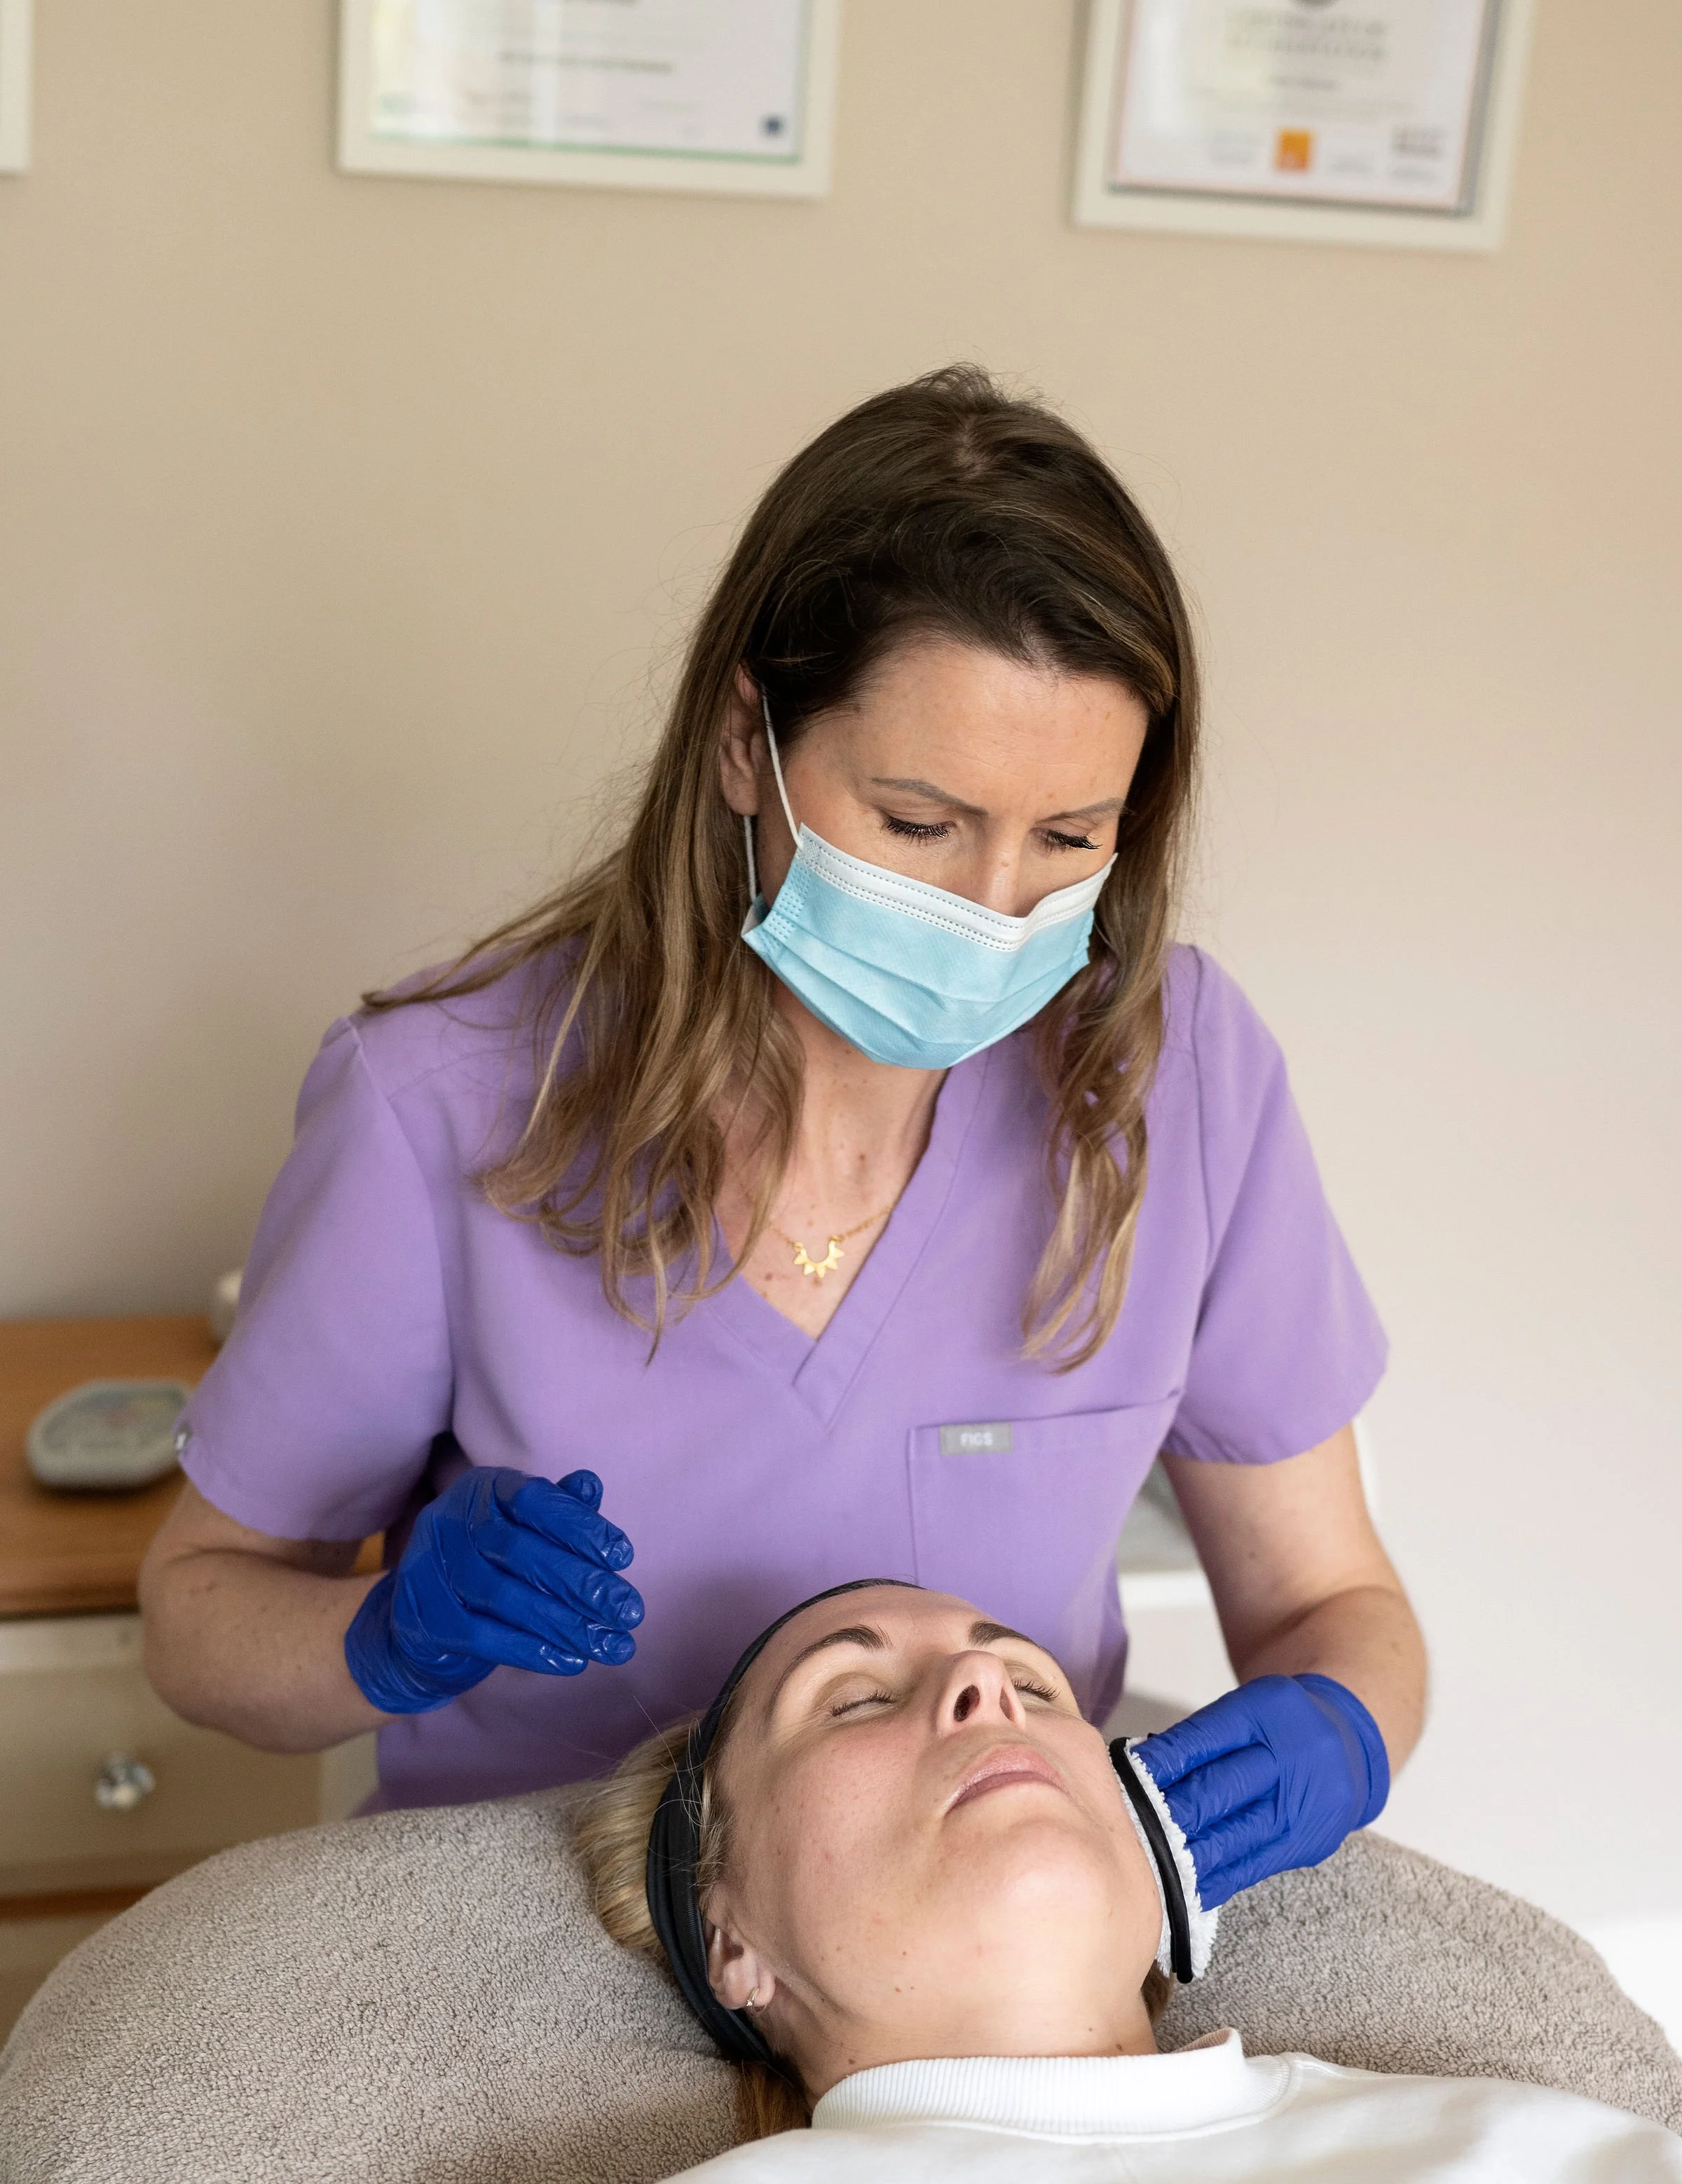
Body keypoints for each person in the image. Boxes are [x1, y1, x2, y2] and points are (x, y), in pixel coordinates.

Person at [139, 365, 1423, 1896]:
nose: (993, 906)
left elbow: (1331, 1596)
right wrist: (384, 1635)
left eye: (1069, 838)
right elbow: (197, 1618)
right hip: (533, 1932)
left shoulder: (1176, 1077)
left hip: (955, 1942)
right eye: (920, 825)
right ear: (748, 745)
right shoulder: (448, 1101)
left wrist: (1343, 1726)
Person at [381, 1582, 1682, 2184]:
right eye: (853, 1700)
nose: (985, 1686)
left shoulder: (1543, 2151)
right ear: (734, 1939)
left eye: (1039, 1688)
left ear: (1153, 1847)